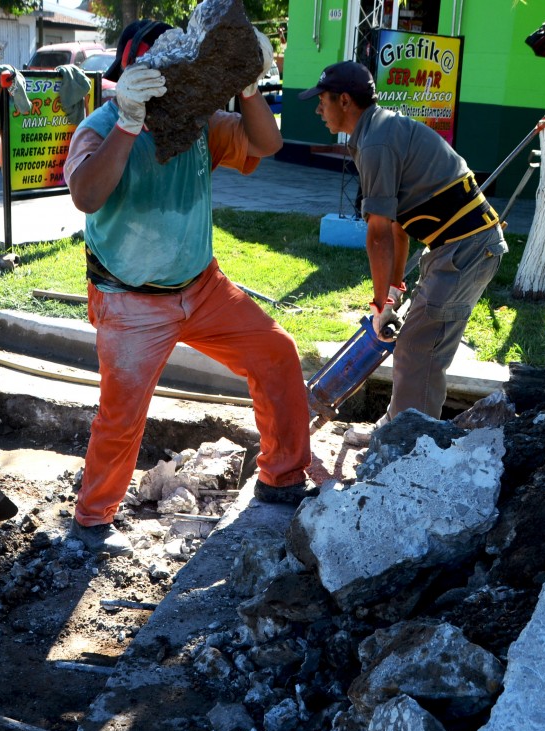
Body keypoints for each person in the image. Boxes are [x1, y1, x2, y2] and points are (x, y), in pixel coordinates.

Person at [63, 19, 316, 557]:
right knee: (121, 415)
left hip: (201, 288)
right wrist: (128, 123)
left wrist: (247, 83)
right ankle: (92, 519)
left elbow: (267, 143)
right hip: (129, 297)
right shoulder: (101, 126)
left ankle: (283, 476)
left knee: (276, 352)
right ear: (130, 73)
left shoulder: (199, 123)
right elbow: (86, 196)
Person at [301, 61, 507, 434]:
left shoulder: (376, 141)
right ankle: (396, 429)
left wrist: (380, 305)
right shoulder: (374, 133)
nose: (318, 109)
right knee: (416, 345)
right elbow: (398, 228)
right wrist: (391, 295)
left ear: (344, 100)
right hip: (454, 246)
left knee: (419, 349)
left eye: (323, 100)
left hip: (466, 248)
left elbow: (378, 233)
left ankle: (409, 445)